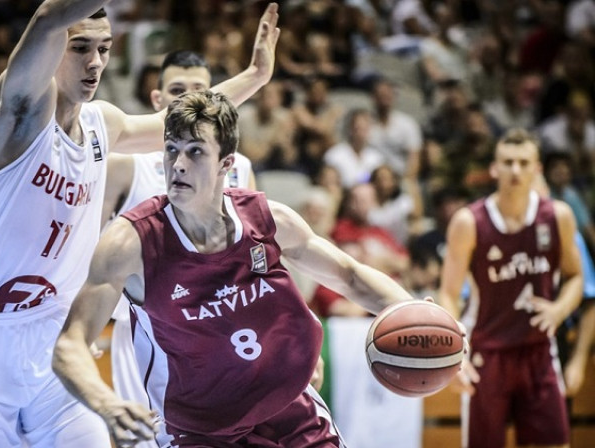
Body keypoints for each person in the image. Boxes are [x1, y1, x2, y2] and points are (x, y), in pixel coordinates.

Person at [0, 1, 281, 446]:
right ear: (51, 49)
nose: (95, 62)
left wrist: (256, 76)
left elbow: (187, 125)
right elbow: (47, 18)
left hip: (51, 333)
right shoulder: (13, 119)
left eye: (105, 48)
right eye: (80, 48)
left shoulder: (102, 125)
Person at [52, 90, 422, 447]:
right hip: (200, 432)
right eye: (171, 150)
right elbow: (70, 345)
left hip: (292, 414)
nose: (178, 164)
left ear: (227, 164)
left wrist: (420, 314)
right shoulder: (131, 243)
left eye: (195, 152)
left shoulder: (267, 220)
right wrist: (106, 403)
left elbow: (350, 276)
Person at [102, 51, 256, 448]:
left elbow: (258, 258)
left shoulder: (238, 168)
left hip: (221, 326)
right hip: (148, 331)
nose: (189, 99)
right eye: (176, 91)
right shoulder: (125, 164)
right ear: (157, 102)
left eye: (200, 90)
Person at [438, 128, 583, 448]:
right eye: (507, 162)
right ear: (494, 168)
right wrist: (454, 352)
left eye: (523, 162)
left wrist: (560, 309)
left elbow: (576, 278)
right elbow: (448, 292)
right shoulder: (468, 222)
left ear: (537, 169)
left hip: (539, 351)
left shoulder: (558, 216)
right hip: (486, 354)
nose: (515, 170)